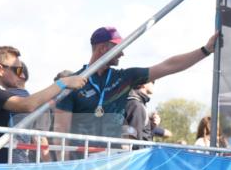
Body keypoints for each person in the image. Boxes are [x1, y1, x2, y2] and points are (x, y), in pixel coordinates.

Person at [53, 26, 217, 140]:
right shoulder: (72, 83)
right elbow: (61, 132)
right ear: (102, 48)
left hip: (112, 163)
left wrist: (205, 50)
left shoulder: (124, 78)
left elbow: (168, 66)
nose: (123, 53)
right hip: (81, 163)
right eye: (119, 48)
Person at [0, 46, 86, 164]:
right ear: (0, 70)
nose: (21, 75)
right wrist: (63, 83)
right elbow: (27, 104)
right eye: (17, 70)